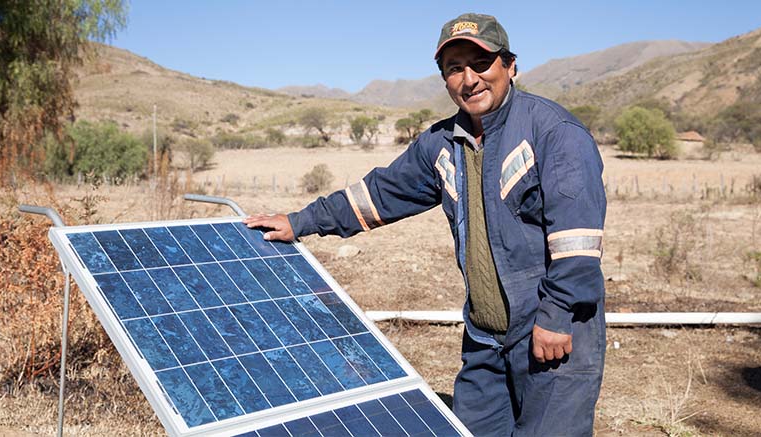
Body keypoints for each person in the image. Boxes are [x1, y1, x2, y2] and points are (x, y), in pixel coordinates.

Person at [245, 12, 606, 437]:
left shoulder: (553, 132)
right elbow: (378, 196)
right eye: (455, 68)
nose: (469, 79)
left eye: (481, 63)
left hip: (550, 330)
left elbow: (577, 242)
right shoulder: (441, 144)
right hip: (486, 339)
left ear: (510, 66)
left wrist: (557, 315)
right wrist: (299, 221)